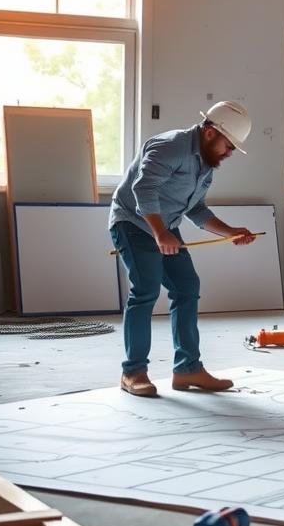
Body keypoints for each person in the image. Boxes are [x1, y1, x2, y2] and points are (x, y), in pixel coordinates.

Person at [109, 101, 257, 397]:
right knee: (146, 291)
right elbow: (143, 189)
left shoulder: (206, 165)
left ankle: (187, 369)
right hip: (132, 223)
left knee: (187, 286)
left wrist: (230, 232)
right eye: (229, 146)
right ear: (211, 132)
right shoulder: (170, 147)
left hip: (164, 225)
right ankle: (133, 372)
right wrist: (161, 232)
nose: (230, 153)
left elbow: (196, 208)